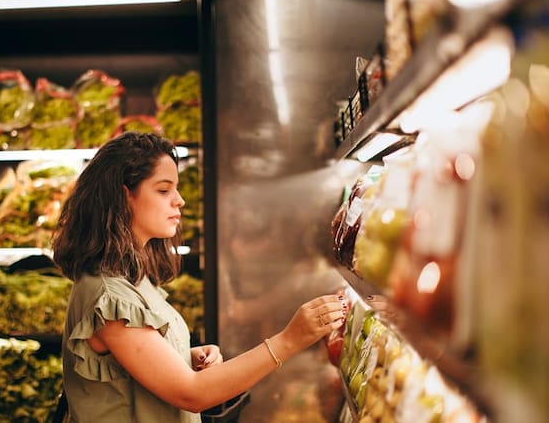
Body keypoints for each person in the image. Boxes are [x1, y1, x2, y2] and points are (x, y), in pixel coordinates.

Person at [52, 131, 346, 423]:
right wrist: (290, 340)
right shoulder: (110, 297)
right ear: (123, 195)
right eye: (163, 190)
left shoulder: (130, 276)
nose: (179, 201)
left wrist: (184, 357)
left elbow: (127, 365)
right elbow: (192, 394)